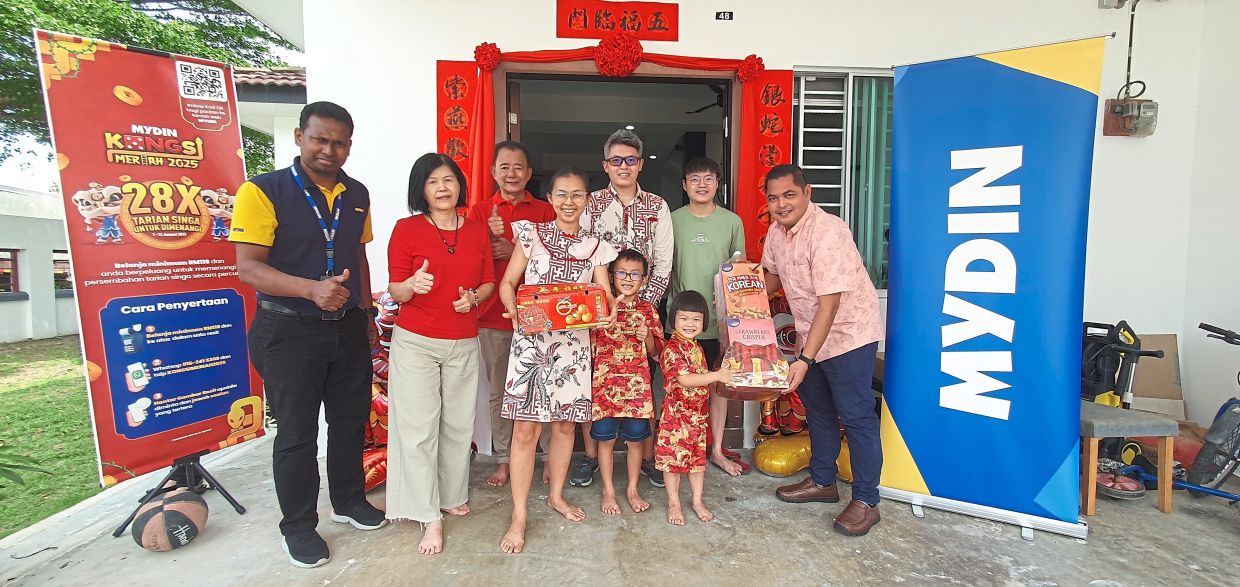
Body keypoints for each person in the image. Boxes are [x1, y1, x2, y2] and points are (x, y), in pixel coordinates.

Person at [231, 101, 387, 569]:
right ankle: (298, 525)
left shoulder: (357, 193)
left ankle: (349, 500)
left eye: (339, 143)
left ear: (349, 146)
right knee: (298, 433)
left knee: (349, 421)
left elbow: (358, 256)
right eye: (320, 139)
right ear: (300, 136)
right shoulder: (263, 190)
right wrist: (310, 290)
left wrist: (366, 313)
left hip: (346, 328)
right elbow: (248, 267)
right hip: (287, 329)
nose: (328, 150)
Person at [496, 167, 618, 554]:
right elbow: (507, 283)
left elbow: (603, 293)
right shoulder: (531, 234)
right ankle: (519, 516)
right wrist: (512, 308)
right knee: (525, 431)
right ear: (549, 198)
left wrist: (610, 308)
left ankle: (556, 496)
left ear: (587, 200)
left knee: (565, 426)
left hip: (573, 348)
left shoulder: (596, 245)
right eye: (561, 194)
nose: (569, 202)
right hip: (531, 344)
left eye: (577, 195)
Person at [761, 164, 885, 537]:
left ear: (807, 192)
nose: (781, 205)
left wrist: (803, 360)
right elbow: (771, 276)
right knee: (818, 411)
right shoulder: (776, 232)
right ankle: (822, 481)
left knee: (856, 415)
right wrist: (739, 295)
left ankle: (867, 501)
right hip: (809, 333)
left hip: (848, 335)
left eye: (789, 195)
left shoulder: (829, 232)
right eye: (773, 198)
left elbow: (829, 306)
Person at [385, 153, 495, 555]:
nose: (442, 187)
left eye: (448, 179)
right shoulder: (407, 229)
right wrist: (411, 285)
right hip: (416, 341)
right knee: (418, 430)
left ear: (459, 185)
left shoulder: (477, 230)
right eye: (432, 181)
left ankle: (450, 495)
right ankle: (427, 514)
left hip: (463, 339)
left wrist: (473, 298)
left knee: (459, 425)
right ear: (422, 190)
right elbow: (395, 290)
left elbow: (488, 282)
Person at [573, 128, 674, 489]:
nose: (623, 166)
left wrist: (641, 306)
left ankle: (646, 459)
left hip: (642, 313)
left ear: (640, 164)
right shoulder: (592, 204)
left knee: (642, 386)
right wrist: (601, 306)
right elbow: (582, 256)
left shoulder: (657, 206)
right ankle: (590, 458)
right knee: (594, 383)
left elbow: (663, 262)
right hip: (599, 314)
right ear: (606, 165)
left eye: (630, 160)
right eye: (616, 160)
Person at [465, 141, 555, 488]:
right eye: (504, 167)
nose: (512, 173)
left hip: (541, 318)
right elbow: (468, 260)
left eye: (519, 167)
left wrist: (515, 249)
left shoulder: (546, 211)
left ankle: (547, 457)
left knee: (544, 388)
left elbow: (556, 260)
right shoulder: (479, 212)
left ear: (529, 173)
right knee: (500, 392)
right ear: (493, 172)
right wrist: (489, 243)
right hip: (493, 315)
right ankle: (503, 459)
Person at [668, 156, 750, 476]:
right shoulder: (671, 220)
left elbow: (739, 271)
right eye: (695, 179)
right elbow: (663, 268)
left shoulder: (732, 222)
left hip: (719, 321)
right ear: (684, 185)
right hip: (680, 322)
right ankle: (677, 448)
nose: (702, 185)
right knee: (678, 386)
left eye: (708, 179)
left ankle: (715, 450)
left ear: (718, 184)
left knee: (719, 384)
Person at [590, 249, 662, 516]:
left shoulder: (648, 310)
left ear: (644, 279)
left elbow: (656, 353)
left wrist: (647, 336)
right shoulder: (601, 307)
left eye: (635, 274)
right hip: (605, 388)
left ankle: (632, 489)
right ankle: (608, 491)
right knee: (606, 441)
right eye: (622, 273)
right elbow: (590, 347)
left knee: (635, 442)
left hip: (637, 390)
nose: (628, 279)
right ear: (611, 276)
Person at [656, 290, 734, 526]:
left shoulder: (696, 347)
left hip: (697, 417)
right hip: (676, 417)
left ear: (704, 322)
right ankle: (674, 503)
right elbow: (685, 379)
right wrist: (717, 375)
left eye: (696, 319)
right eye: (684, 318)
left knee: (697, 461)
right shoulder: (672, 348)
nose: (690, 324)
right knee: (672, 463)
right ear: (673, 319)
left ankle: (697, 501)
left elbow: (699, 377)